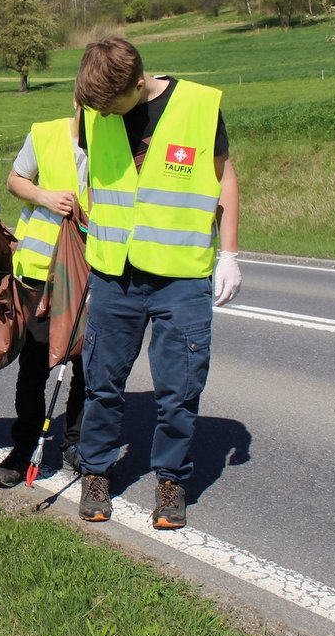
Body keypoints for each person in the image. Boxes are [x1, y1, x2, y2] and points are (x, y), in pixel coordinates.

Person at [71, 36, 241, 530]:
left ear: (138, 83)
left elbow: (224, 179)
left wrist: (230, 254)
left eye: (112, 106)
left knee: (179, 390)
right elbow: (98, 177)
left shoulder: (198, 106)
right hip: (114, 275)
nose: (104, 114)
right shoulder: (94, 109)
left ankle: (170, 480)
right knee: (102, 385)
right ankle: (96, 472)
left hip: (180, 277)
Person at [0, 109, 88, 487]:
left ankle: (77, 444)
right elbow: (15, 180)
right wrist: (46, 196)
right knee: (34, 368)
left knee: (89, 368)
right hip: (41, 273)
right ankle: (24, 447)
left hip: (95, 271)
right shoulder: (45, 134)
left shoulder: (119, 136)